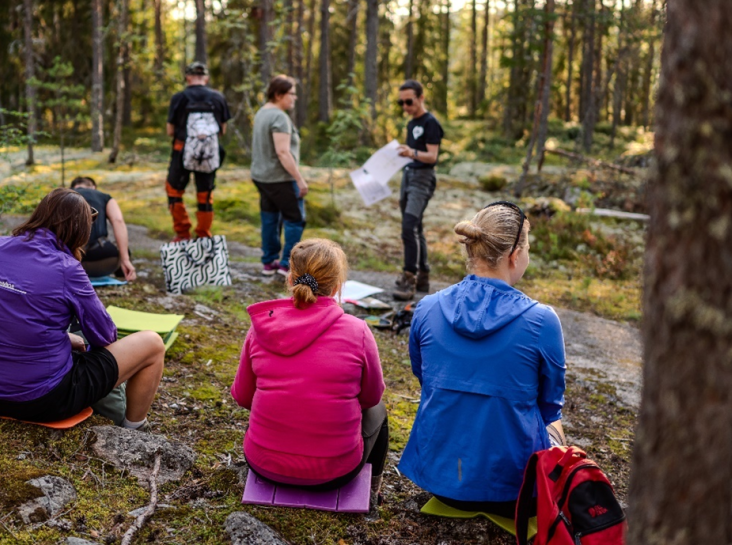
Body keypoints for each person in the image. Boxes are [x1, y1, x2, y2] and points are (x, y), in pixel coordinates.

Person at [398, 202, 566, 519]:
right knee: (554, 423)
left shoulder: (427, 308)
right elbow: (550, 404)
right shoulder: (542, 320)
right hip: (516, 492)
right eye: (528, 247)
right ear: (514, 255)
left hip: (440, 481)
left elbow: (424, 376)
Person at [0, 188, 165, 428]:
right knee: (153, 344)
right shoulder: (67, 268)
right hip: (40, 400)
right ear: (80, 230)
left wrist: (63, 338)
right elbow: (105, 335)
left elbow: (10, 318)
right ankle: (135, 428)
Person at [231, 239, 388, 503]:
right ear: (337, 287)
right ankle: (373, 490)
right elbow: (371, 398)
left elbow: (243, 396)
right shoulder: (358, 330)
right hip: (336, 471)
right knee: (379, 410)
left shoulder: (261, 326)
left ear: (290, 278)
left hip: (263, 464)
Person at [165, 61, 232, 241]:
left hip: (181, 150)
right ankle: (203, 234)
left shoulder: (178, 98)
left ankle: (182, 233)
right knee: (205, 193)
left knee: (173, 190)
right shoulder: (218, 97)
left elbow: (170, 131)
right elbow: (222, 130)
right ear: (206, 77)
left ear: (187, 77)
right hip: (209, 153)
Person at [393, 80, 444, 301]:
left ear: (421, 98)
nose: (405, 106)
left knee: (408, 226)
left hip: (422, 179)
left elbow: (432, 156)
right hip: (408, 176)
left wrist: (411, 152)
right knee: (417, 227)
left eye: (409, 101)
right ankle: (423, 274)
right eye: (401, 102)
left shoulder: (431, 123)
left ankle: (409, 277)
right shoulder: (411, 123)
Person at [250, 75, 306, 276]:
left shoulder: (261, 113)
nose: (294, 98)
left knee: (270, 218)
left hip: (261, 176)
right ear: (278, 94)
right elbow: (283, 152)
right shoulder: (279, 117)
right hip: (280, 178)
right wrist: (299, 179)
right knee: (295, 220)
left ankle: (268, 262)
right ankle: (286, 265)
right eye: (291, 93)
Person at [70, 176, 136, 281]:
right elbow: (118, 221)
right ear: (94, 187)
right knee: (124, 250)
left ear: (73, 187)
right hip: (105, 259)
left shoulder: (63, 196)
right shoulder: (104, 197)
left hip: (71, 263)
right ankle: (123, 273)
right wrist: (125, 259)